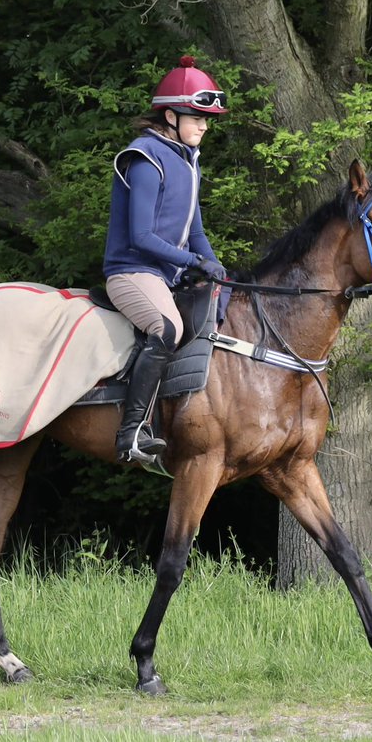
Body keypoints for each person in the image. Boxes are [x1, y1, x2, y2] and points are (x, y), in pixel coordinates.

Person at [104, 56, 229, 466]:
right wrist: (194, 261)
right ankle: (131, 435)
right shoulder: (145, 157)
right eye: (198, 117)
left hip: (165, 276)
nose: (205, 126)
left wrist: (216, 269)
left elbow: (196, 231)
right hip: (130, 272)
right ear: (171, 115)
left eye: (207, 118)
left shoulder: (188, 162)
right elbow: (141, 237)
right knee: (168, 328)